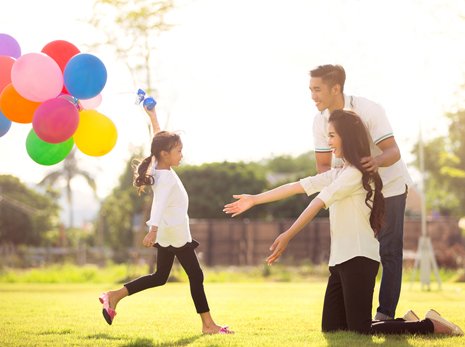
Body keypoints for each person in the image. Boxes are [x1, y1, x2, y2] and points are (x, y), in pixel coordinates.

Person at [224, 109, 463, 335]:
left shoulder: (355, 174)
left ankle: (429, 325)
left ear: (346, 137)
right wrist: (255, 199)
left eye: (331, 135)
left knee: (360, 329)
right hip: (339, 260)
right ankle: (405, 321)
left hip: (359, 258)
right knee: (332, 328)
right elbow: (297, 186)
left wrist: (288, 235)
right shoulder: (340, 172)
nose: (328, 141)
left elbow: (317, 203)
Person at [99, 105, 233, 335]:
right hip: (174, 234)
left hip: (170, 233)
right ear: (165, 154)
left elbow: (157, 139)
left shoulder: (157, 165)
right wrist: (152, 230)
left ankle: (113, 296)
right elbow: (158, 204)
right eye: (179, 150)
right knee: (195, 275)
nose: (182, 154)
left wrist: (152, 115)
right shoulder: (166, 178)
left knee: (160, 277)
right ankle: (208, 325)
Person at [309, 64, 411, 321]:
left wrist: (375, 163)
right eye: (310, 90)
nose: (313, 96)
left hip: (389, 186)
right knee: (359, 247)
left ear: (336, 88)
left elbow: (393, 151)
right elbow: (323, 166)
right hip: (355, 189)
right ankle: (352, 310)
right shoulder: (320, 122)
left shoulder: (368, 110)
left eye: (317, 89)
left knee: (388, 250)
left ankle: (385, 314)